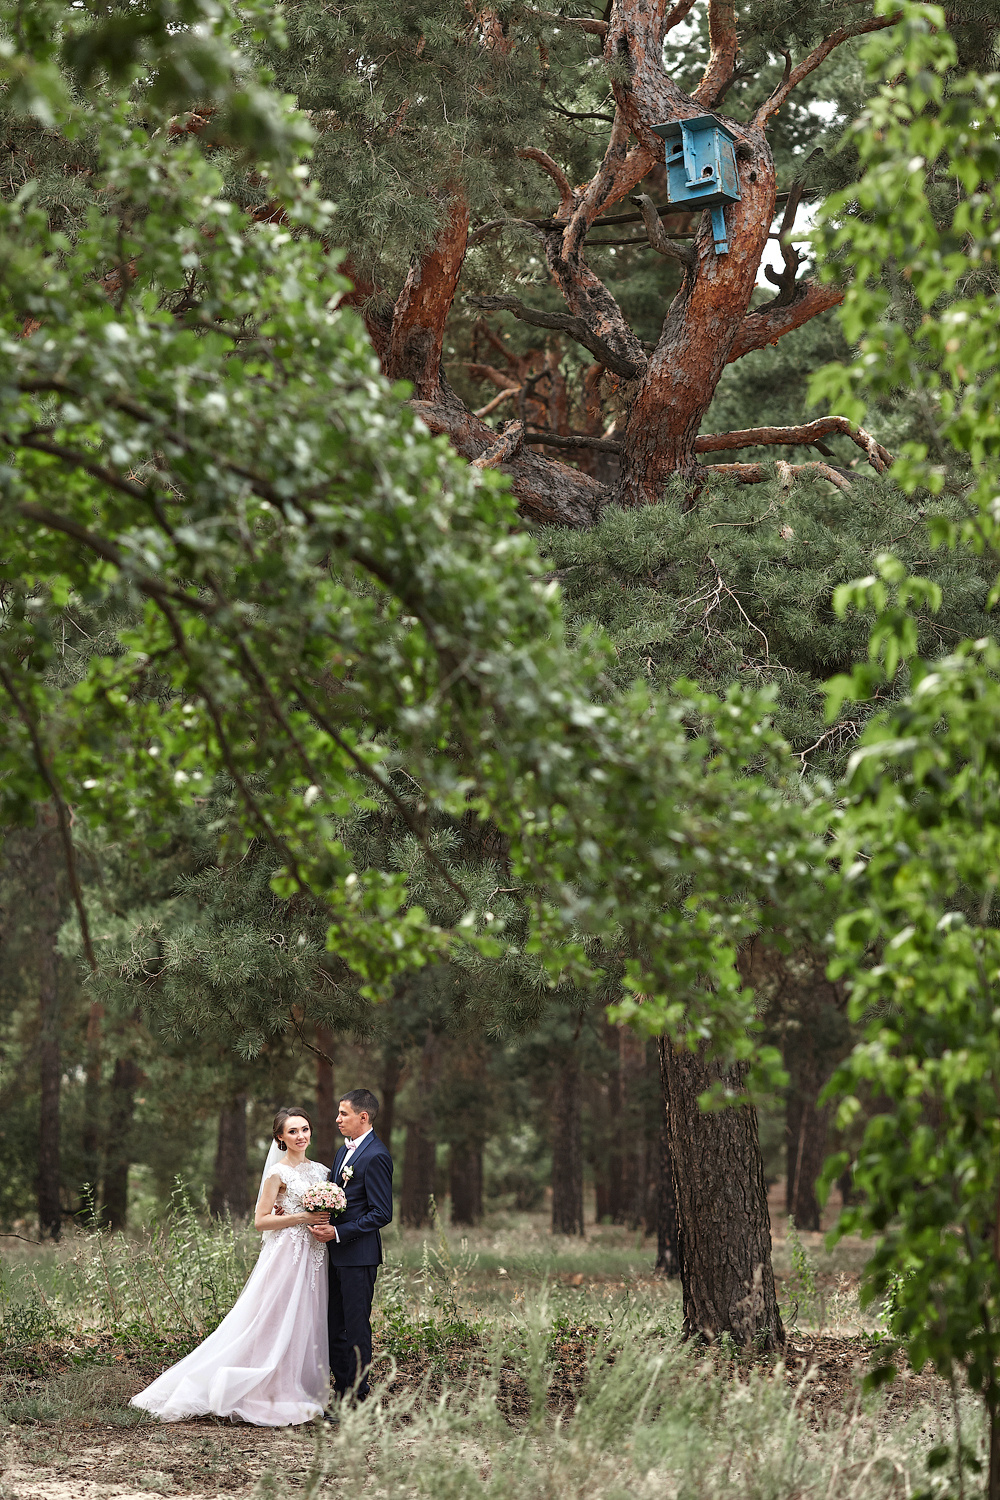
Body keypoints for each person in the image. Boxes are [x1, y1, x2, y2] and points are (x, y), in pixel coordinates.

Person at [130, 1107, 332, 1426]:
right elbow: (261, 1221)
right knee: (273, 1318)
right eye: (292, 1131)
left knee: (305, 1317)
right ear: (280, 1137)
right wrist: (301, 1218)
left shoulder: (322, 1172)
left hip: (315, 1253)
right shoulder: (277, 1173)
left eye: (305, 1129)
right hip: (286, 1254)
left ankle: (295, 1385)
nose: (301, 1136)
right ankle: (261, 1387)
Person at [309, 1088, 393, 1404]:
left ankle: (356, 1396)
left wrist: (339, 1233)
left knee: (355, 1329)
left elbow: (382, 1213)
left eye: (343, 1113)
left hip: (358, 1256)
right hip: (335, 1255)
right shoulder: (344, 1153)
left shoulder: (377, 1155)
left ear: (363, 1116)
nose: (337, 1119)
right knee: (334, 1327)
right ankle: (342, 1390)